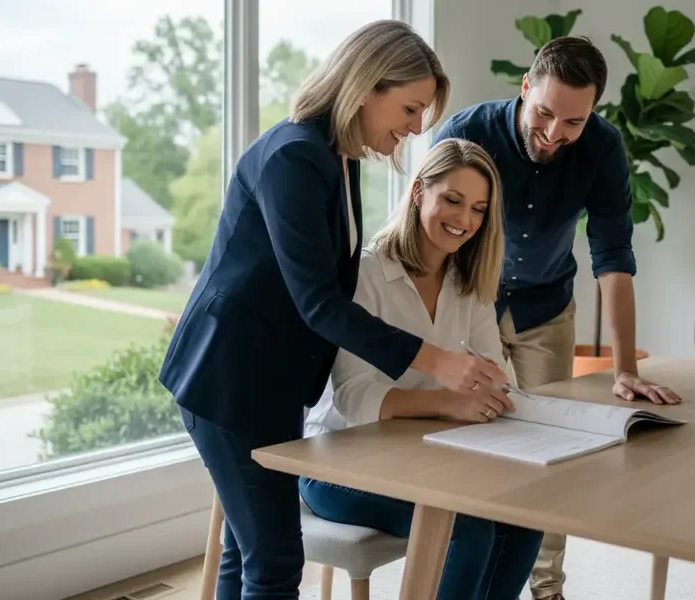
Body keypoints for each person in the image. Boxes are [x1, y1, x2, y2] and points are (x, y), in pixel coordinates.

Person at [157, 20, 509, 600]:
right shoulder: (294, 157)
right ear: (368, 86)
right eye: (411, 108)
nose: (417, 127)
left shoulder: (334, 157)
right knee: (272, 563)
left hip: (269, 380)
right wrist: (438, 362)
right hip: (227, 379)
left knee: (249, 555)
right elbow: (319, 302)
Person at [432, 36, 682, 600]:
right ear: (525, 87)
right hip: (471, 302)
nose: (552, 133)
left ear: (592, 112)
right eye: (544, 113)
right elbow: (429, 233)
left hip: (547, 307)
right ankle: (459, 575)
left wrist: (624, 368)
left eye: (572, 121)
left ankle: (547, 588)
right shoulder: (468, 132)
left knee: (552, 456)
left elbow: (613, 254)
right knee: (469, 440)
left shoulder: (603, 147)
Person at [301, 138, 544, 600]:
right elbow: (354, 397)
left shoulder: (469, 281)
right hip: (337, 465)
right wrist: (448, 403)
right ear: (418, 192)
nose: (465, 220)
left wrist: (490, 383)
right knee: (466, 526)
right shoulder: (368, 273)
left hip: (423, 457)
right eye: (452, 200)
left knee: (523, 517)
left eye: (478, 209)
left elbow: (496, 376)